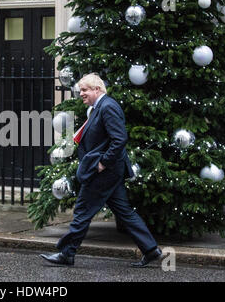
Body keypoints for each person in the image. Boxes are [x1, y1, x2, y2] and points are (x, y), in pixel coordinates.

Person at [40, 73, 162, 268]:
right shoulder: (99, 108)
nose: (81, 93)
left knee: (82, 210)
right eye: (80, 90)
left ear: (97, 89)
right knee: (124, 212)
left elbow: (119, 139)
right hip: (109, 173)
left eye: (85, 90)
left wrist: (102, 163)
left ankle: (67, 253)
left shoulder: (107, 107)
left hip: (104, 173)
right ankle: (150, 250)